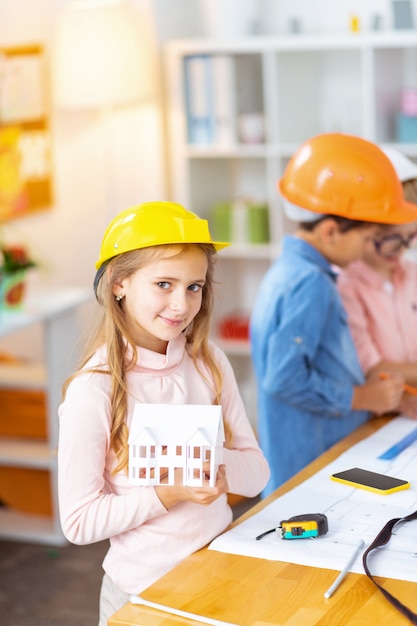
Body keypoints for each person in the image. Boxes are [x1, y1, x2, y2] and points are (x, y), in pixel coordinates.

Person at [57, 201, 270, 625]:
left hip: (218, 571)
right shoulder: (94, 389)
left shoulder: (208, 361)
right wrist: (168, 492)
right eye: (164, 284)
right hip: (142, 595)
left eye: (194, 286)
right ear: (119, 284)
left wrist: (215, 465)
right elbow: (78, 522)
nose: (181, 303)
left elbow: (258, 473)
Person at [250, 133, 417, 497]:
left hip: (317, 456)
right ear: (330, 232)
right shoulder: (311, 284)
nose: (363, 251)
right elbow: (284, 379)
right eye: (366, 237)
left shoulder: (294, 273)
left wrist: (385, 396)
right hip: (309, 465)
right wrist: (362, 398)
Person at [337, 148, 417, 416]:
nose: (402, 249)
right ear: (364, 231)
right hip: (374, 417)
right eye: (391, 239)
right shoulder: (346, 286)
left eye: (411, 236)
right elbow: (371, 368)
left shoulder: (412, 273)